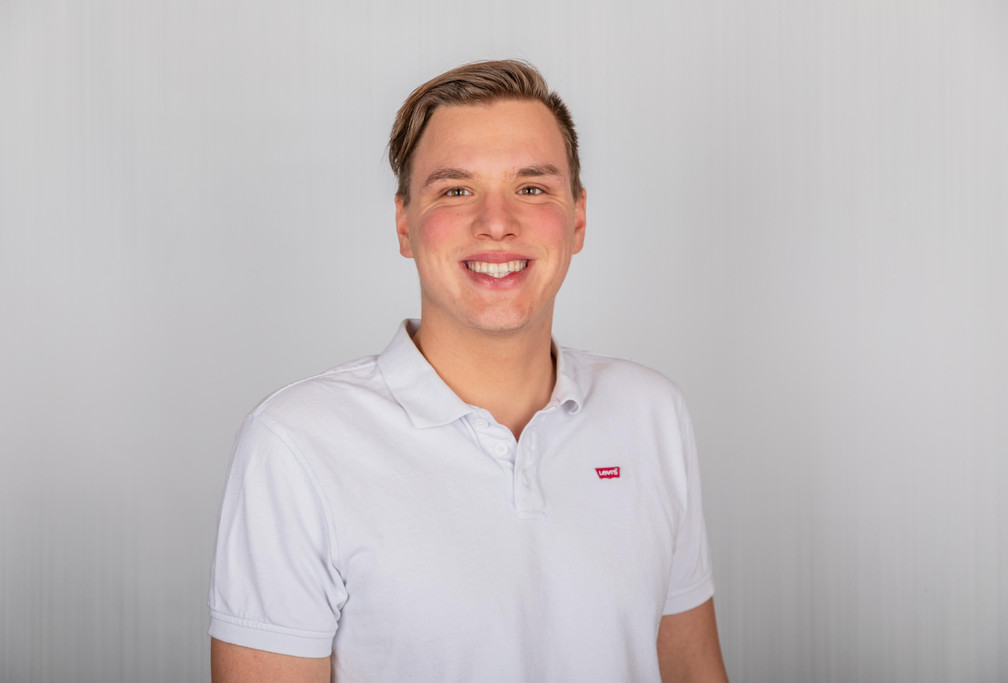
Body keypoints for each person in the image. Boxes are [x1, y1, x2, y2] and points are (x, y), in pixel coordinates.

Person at [208, 59, 728, 682]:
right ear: (405, 223)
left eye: (531, 188)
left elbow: (691, 669)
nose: (496, 223)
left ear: (578, 219)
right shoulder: (296, 444)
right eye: (456, 190)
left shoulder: (651, 412)